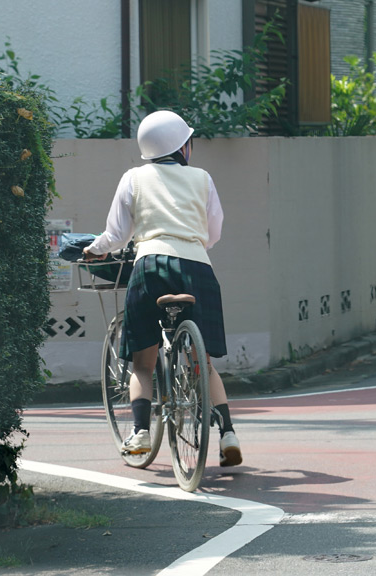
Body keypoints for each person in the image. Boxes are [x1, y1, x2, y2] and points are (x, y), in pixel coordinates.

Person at [83, 110, 242, 467]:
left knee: (143, 362)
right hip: (198, 268)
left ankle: (140, 432)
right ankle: (228, 433)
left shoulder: (133, 178)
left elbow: (116, 235)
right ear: (181, 147)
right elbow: (213, 232)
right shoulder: (202, 178)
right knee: (207, 366)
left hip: (151, 264)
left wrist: (94, 249)